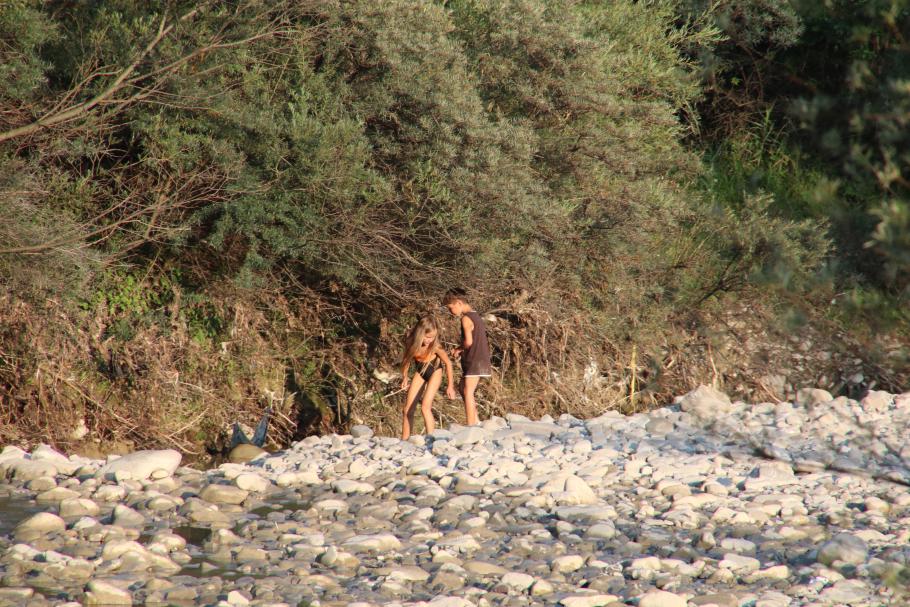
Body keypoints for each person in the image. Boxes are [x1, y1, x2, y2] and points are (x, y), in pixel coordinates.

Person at [399, 315, 456, 440]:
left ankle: (431, 439)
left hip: (434, 371)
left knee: (425, 407)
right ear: (420, 333)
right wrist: (405, 378)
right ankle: (404, 440)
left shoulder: (435, 346)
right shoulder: (411, 342)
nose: (430, 340)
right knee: (407, 410)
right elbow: (406, 361)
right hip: (420, 372)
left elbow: (448, 363)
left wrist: (450, 386)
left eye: (433, 337)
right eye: (428, 337)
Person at [442, 288, 491, 426]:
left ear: (458, 303)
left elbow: (469, 342)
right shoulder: (475, 315)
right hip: (479, 358)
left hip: (475, 359)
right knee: (462, 386)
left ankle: (471, 425)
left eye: (450, 308)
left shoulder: (465, 318)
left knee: (468, 390)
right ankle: (475, 420)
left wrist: (459, 348)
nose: (450, 311)